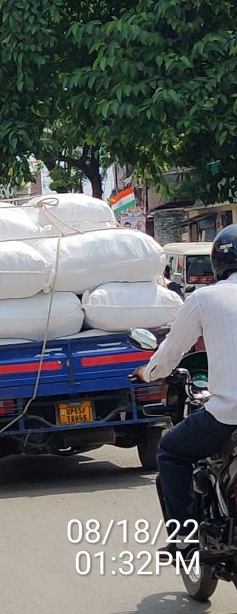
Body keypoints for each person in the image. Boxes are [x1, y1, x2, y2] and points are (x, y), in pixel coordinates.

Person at [133, 225, 237, 559]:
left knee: (170, 450)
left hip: (227, 414)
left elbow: (170, 352)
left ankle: (185, 538)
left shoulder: (205, 298)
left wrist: (149, 373)